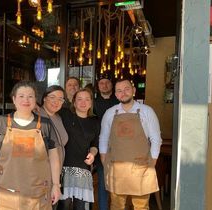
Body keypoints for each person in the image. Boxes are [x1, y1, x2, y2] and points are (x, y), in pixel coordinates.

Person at [0, 81, 62, 210]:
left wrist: (56, 185)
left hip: (38, 191)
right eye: (21, 96)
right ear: (14, 99)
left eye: (30, 96)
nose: (26, 100)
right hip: (7, 191)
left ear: (35, 100)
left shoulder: (45, 124)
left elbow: (54, 158)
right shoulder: (1, 122)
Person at [99, 79, 162, 210]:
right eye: (119, 91)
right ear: (115, 94)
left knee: (141, 206)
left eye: (127, 89)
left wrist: (153, 160)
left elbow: (156, 138)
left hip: (141, 166)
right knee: (116, 206)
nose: (123, 93)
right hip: (116, 167)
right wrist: (104, 159)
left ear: (133, 90)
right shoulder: (110, 113)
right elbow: (103, 138)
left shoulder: (147, 111)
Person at [57, 88, 100, 210]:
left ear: (91, 103)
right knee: (64, 204)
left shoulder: (95, 121)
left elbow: (94, 144)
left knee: (80, 206)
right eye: (79, 99)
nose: (83, 102)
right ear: (74, 102)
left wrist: (92, 154)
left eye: (87, 99)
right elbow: (49, 110)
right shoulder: (64, 114)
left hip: (82, 168)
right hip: (63, 167)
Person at [37, 85, 69, 209]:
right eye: (52, 97)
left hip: (56, 174)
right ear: (44, 98)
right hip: (41, 176)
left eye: (60, 99)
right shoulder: (37, 114)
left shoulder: (58, 117)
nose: (56, 102)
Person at [93, 77, 119, 210]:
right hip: (101, 147)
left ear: (112, 85)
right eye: (101, 83)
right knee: (103, 181)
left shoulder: (119, 101)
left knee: (119, 181)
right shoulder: (93, 103)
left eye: (107, 83)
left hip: (120, 147)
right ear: (98, 86)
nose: (104, 85)